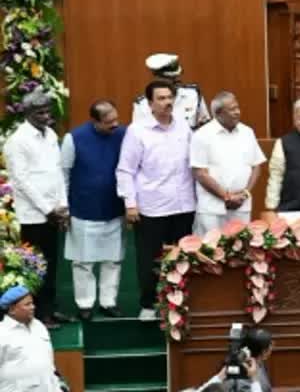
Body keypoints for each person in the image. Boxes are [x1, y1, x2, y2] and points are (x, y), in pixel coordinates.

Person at [117, 80, 195, 321]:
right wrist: (130, 203)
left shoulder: (183, 127)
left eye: (170, 97)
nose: (167, 102)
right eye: (160, 98)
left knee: (183, 255)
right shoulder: (137, 131)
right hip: (152, 205)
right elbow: (125, 170)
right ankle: (149, 304)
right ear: (150, 104)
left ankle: (179, 301)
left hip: (183, 204)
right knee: (150, 257)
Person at [3, 89, 72, 329]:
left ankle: (50, 308)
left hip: (54, 211)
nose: (47, 116)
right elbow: (21, 181)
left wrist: (62, 207)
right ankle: (39, 313)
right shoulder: (17, 141)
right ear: (29, 113)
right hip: (33, 215)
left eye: (48, 111)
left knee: (52, 263)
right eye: (41, 113)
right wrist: (47, 209)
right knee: (35, 267)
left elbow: (57, 173)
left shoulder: (51, 135)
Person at [62, 100, 127, 321]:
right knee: (83, 261)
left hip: (113, 207)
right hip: (82, 207)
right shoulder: (74, 138)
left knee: (113, 259)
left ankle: (108, 302)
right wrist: (64, 206)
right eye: (109, 122)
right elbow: (64, 175)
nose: (115, 125)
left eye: (116, 119)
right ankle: (85, 304)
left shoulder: (124, 135)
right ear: (95, 121)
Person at [191, 91, 266, 234]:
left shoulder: (247, 132)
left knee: (240, 250)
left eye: (237, 108)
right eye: (232, 109)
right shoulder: (202, 135)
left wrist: (245, 193)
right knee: (211, 250)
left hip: (241, 206)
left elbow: (256, 166)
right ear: (218, 113)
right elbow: (199, 173)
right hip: (212, 209)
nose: (237, 112)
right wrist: (226, 197)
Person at [0, 285, 61, 391]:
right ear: (12, 310)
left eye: (32, 303)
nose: (33, 307)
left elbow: (49, 362)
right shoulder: (2, 333)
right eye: (27, 304)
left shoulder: (39, 326)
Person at [132, 53, 210, 129]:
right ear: (156, 78)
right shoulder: (142, 104)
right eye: (169, 78)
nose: (176, 80)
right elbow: (137, 135)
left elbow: (206, 125)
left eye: (176, 76)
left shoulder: (193, 94)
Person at [198, 328, 273, 392]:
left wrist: (219, 376)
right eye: (271, 344)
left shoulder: (259, 364)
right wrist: (254, 379)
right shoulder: (243, 380)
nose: (273, 345)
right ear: (264, 352)